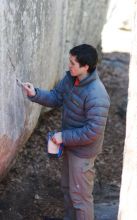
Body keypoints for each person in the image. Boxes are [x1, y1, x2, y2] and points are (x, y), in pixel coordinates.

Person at [23, 44, 110, 220]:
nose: (69, 65)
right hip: (70, 145)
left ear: (85, 67)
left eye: (73, 63)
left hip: (83, 152)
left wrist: (63, 136)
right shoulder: (71, 78)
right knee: (67, 189)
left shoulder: (97, 94)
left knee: (81, 198)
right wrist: (35, 93)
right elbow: (56, 97)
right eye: (69, 61)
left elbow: (92, 131)